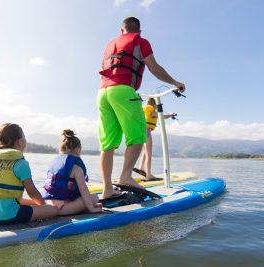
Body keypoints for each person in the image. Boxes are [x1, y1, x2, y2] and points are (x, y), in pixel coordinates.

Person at [98, 16, 186, 198]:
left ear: (121, 30)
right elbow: (153, 67)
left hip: (102, 93)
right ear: (139, 31)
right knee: (138, 135)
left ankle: (107, 190)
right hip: (123, 91)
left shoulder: (109, 44)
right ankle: (126, 176)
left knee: (108, 144)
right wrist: (175, 82)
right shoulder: (141, 41)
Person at [0, 123, 58, 225]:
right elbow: (32, 192)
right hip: (8, 216)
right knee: (54, 209)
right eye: (24, 137)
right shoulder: (21, 163)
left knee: (31, 202)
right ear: (20, 142)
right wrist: (44, 206)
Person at [42, 130, 102, 215]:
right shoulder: (77, 169)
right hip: (62, 209)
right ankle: (86, 208)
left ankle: (81, 208)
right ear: (77, 150)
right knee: (94, 197)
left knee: (86, 198)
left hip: (49, 204)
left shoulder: (56, 163)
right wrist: (91, 208)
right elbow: (84, 191)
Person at [135, 97, 176, 180]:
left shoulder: (143, 109)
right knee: (149, 153)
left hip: (139, 131)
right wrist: (171, 115)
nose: (156, 108)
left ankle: (141, 167)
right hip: (146, 131)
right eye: (156, 106)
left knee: (145, 151)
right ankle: (149, 174)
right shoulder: (151, 109)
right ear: (154, 105)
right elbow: (162, 116)